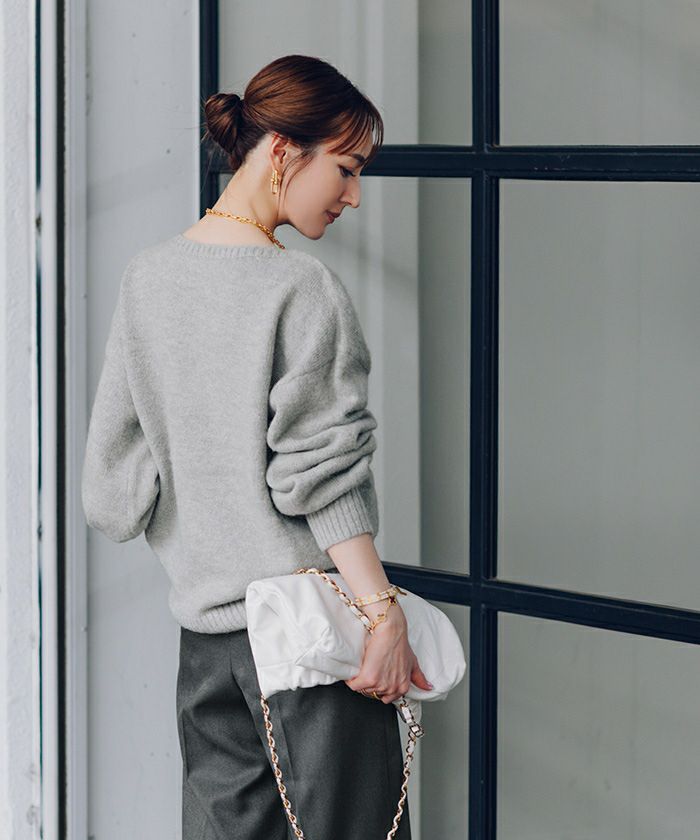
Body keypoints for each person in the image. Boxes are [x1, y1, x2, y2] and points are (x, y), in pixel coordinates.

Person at [81, 53, 431, 839]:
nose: (354, 195)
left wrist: (206, 498)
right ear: (281, 151)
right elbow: (322, 476)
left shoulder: (147, 280)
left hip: (207, 653)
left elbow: (112, 495)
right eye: (345, 169)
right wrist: (382, 616)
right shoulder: (300, 289)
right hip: (309, 645)